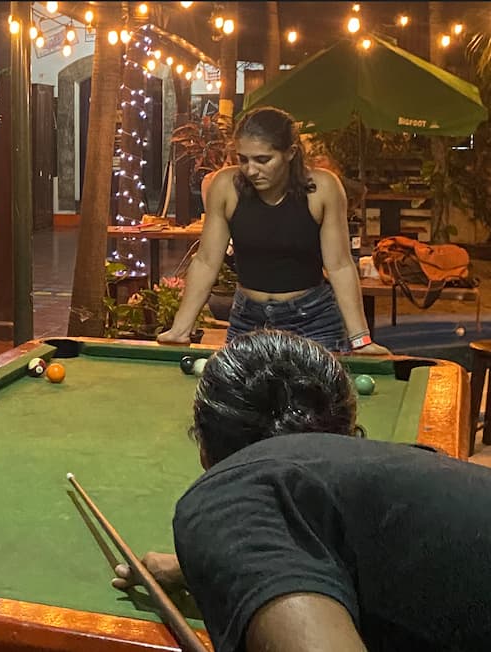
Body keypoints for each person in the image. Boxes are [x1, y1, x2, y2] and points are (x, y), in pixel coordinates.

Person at [112, 329, 491, 651]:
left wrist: (235, 537)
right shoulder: (414, 471)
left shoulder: (232, 492)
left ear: (204, 450)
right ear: (345, 431)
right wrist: (208, 566)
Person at [157, 107, 388, 355]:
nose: (251, 170)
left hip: (312, 320)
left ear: (290, 153)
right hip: (248, 319)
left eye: (263, 160)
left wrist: (361, 339)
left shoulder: (322, 188)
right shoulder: (225, 186)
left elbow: (340, 265)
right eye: (243, 159)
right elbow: (206, 261)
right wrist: (180, 329)